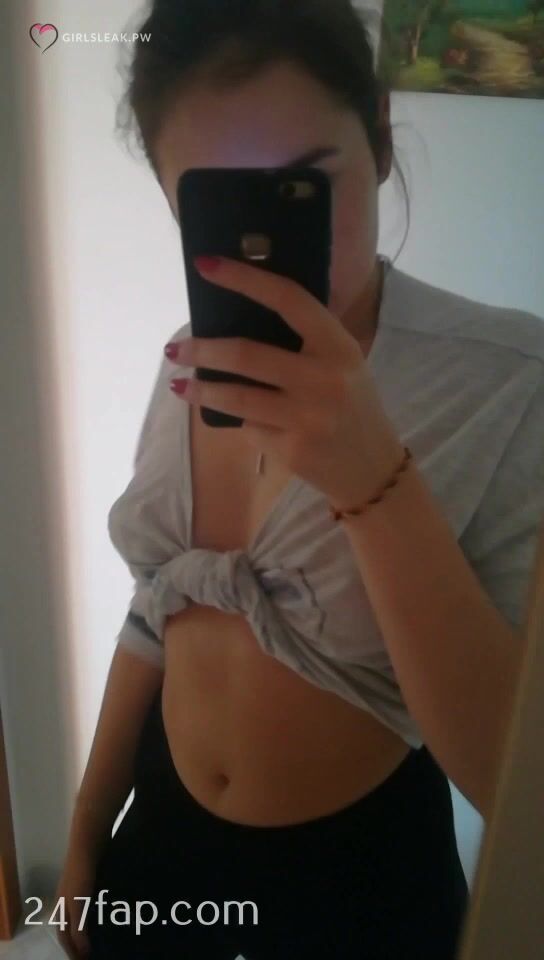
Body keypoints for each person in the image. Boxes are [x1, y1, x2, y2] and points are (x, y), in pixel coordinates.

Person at [55, 2, 544, 959]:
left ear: (382, 142)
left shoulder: (508, 380)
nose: (269, 243)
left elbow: (512, 780)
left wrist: (375, 482)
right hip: (158, 847)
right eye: (215, 200)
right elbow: (156, 610)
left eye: (303, 187)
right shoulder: (188, 363)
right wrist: (83, 839)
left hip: (358, 888)